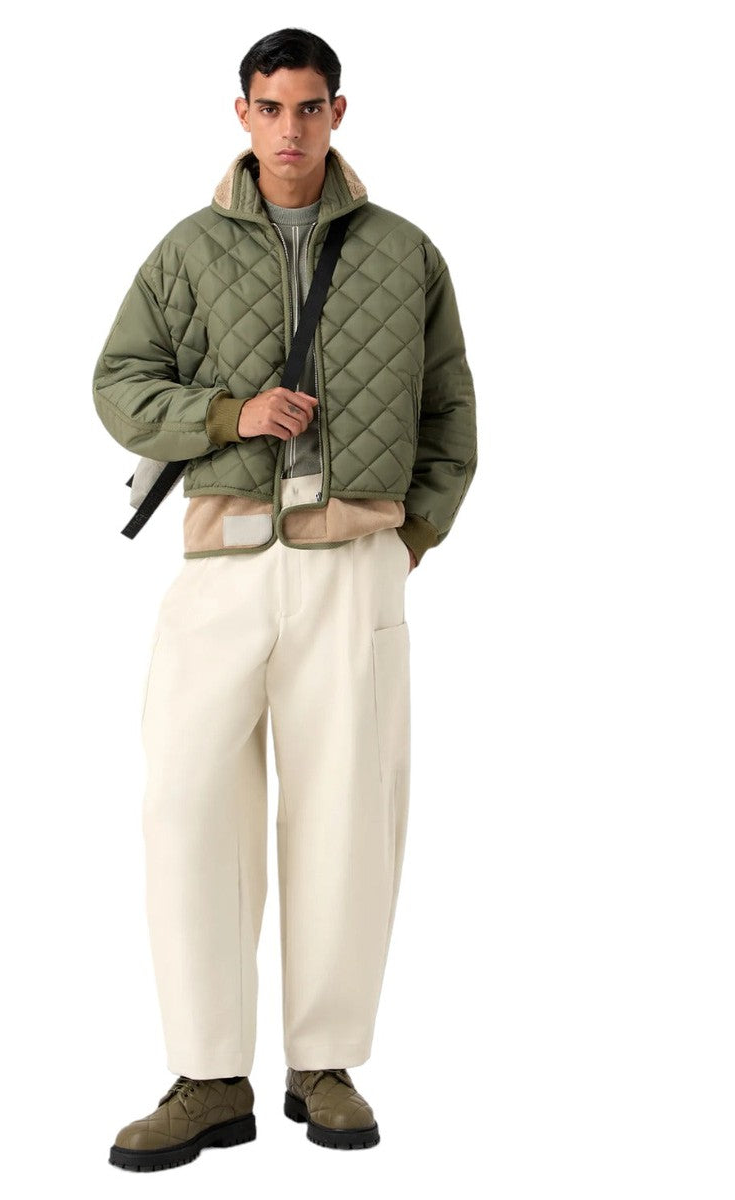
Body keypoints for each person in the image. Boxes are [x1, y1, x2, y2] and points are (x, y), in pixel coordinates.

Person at [92, 27, 477, 1172]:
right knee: (186, 807)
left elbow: (451, 412)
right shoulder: (189, 249)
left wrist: (407, 539)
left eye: (310, 107)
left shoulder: (405, 253)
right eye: (272, 108)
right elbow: (119, 384)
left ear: (338, 112)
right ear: (243, 114)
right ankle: (209, 1075)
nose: (291, 128)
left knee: (349, 811)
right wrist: (230, 415)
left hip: (353, 563)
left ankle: (325, 1065)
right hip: (221, 561)